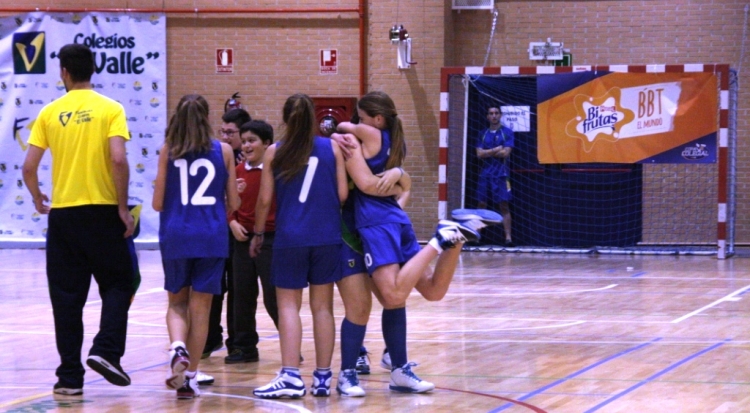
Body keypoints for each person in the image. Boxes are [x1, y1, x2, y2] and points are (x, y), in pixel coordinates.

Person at [333, 91, 485, 394]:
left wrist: (343, 131)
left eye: (361, 118)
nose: (356, 122)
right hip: (395, 217)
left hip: (374, 223)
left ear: (376, 119)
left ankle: (440, 240)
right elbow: (400, 192)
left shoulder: (358, 140)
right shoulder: (395, 141)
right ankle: (455, 240)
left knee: (390, 296)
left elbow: (367, 184)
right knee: (430, 291)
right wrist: (402, 178)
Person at [21, 43, 138, 395]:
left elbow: (29, 167)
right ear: (93, 70)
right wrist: (122, 208)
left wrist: (37, 196)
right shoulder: (111, 109)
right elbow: (118, 159)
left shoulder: (49, 112)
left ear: (64, 72)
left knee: (66, 298)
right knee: (119, 283)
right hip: (103, 214)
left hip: (64, 217)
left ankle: (70, 378)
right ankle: (106, 350)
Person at [251, 93, 348, 399]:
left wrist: (257, 233)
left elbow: (264, 200)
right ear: (314, 118)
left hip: (290, 238)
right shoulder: (332, 147)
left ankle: (291, 375)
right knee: (323, 308)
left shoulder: (275, 151)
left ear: (285, 118)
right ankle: (323, 378)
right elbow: (343, 195)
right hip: (326, 236)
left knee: (288, 306)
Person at [153, 94, 240, 399]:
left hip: (177, 233)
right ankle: (189, 377)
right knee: (201, 309)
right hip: (211, 235)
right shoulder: (224, 150)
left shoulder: (169, 150)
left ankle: (178, 347)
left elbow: (158, 203)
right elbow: (234, 203)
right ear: (206, 117)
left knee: (177, 303)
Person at [226, 120, 280, 364]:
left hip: (270, 239)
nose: (246, 146)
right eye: (244, 141)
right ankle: (244, 347)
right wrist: (232, 221)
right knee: (242, 295)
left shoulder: (277, 172)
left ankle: (290, 343)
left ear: (267, 144)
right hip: (242, 240)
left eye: (252, 141)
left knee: (273, 296)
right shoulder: (236, 171)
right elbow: (226, 203)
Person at [203, 107, 252, 362]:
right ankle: (208, 338)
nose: (224, 136)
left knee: (239, 290)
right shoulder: (216, 155)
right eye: (222, 131)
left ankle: (239, 343)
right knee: (212, 288)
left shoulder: (251, 159)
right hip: (215, 229)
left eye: (230, 132)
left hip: (240, 231)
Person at [475, 106, 514, 247]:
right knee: (481, 204)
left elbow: (505, 153)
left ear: (500, 115)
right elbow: (479, 154)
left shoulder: (507, 132)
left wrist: (487, 152)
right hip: (485, 174)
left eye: (496, 113)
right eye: (491, 113)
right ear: (487, 116)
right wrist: (496, 149)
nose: (494, 116)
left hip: (501, 174)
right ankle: (477, 236)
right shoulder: (482, 133)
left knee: (504, 205)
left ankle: (508, 238)